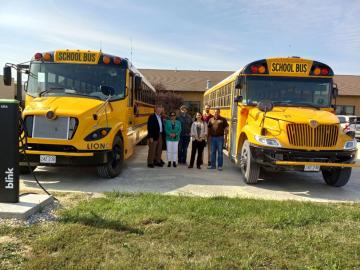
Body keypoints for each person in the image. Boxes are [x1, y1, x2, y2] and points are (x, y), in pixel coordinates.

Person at [202, 104, 213, 168]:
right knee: (202, 148)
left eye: (208, 108)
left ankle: (209, 161)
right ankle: (201, 160)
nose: (207, 109)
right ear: (204, 108)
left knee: (209, 149)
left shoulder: (212, 117)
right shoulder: (202, 116)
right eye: (206, 108)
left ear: (210, 109)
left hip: (210, 135)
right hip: (203, 134)